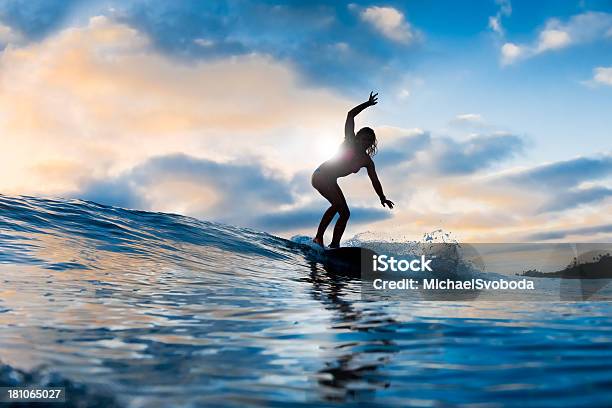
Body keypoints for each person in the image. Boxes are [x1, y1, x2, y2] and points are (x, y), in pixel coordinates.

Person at [312, 92, 394, 248]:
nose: (366, 142)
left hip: (330, 180)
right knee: (337, 205)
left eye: (369, 141)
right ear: (357, 137)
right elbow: (350, 115)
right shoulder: (349, 142)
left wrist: (382, 197)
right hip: (320, 175)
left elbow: (374, 180)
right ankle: (318, 238)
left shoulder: (366, 161)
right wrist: (367, 104)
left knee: (345, 213)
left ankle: (334, 245)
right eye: (363, 138)